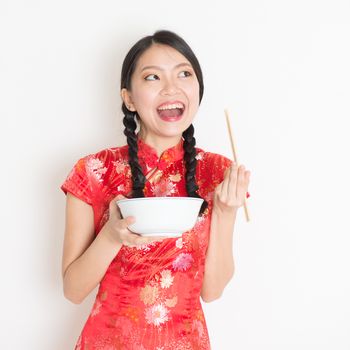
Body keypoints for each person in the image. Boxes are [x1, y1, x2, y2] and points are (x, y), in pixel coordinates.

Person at [61, 29, 251, 350]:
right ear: (129, 98)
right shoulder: (93, 170)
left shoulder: (217, 171)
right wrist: (110, 235)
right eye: (153, 78)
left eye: (184, 74)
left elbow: (212, 290)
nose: (171, 88)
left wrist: (226, 211)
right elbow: (73, 289)